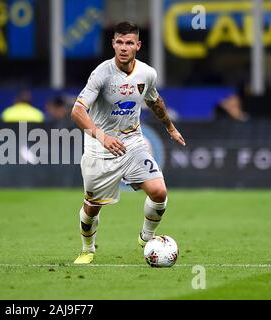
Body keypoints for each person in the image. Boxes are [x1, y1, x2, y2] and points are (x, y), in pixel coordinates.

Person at [70, 21, 186, 264]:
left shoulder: (147, 73)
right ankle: (87, 249)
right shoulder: (101, 73)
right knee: (92, 207)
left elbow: (155, 101)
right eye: (119, 42)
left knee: (159, 192)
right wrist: (103, 137)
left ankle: (147, 237)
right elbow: (77, 111)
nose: (124, 47)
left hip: (132, 144)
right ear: (113, 44)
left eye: (129, 43)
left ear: (138, 45)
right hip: (99, 148)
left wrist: (171, 128)